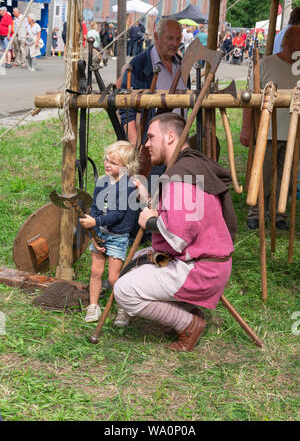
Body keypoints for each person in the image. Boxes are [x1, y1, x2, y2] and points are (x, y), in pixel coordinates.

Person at [113, 112, 236, 351]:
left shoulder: (179, 176)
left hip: (200, 271)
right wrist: (150, 203)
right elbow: (178, 217)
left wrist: (149, 222)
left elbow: (178, 236)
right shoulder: (191, 165)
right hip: (209, 263)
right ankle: (184, 307)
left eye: (150, 137)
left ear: (170, 137)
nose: (146, 144)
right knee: (142, 257)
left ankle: (188, 322)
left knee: (124, 290)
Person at [240, 26, 300, 230]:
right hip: (266, 133)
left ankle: (279, 214)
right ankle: (256, 212)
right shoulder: (266, 64)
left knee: (286, 177)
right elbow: (249, 100)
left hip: (293, 135)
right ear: (289, 42)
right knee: (262, 174)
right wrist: (246, 129)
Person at [79, 141, 139, 323]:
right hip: (100, 233)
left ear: (125, 167)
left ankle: (123, 309)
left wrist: (95, 221)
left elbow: (118, 213)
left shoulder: (127, 187)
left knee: (114, 277)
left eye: (113, 163)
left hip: (117, 236)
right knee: (95, 272)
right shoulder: (102, 182)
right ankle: (93, 306)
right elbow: (96, 208)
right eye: (106, 160)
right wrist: (93, 234)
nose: (107, 164)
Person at [120, 18, 187, 147]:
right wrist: (135, 142)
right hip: (151, 145)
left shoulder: (182, 65)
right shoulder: (140, 64)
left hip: (178, 140)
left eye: (178, 39)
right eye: (170, 38)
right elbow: (125, 107)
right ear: (156, 37)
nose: (175, 43)